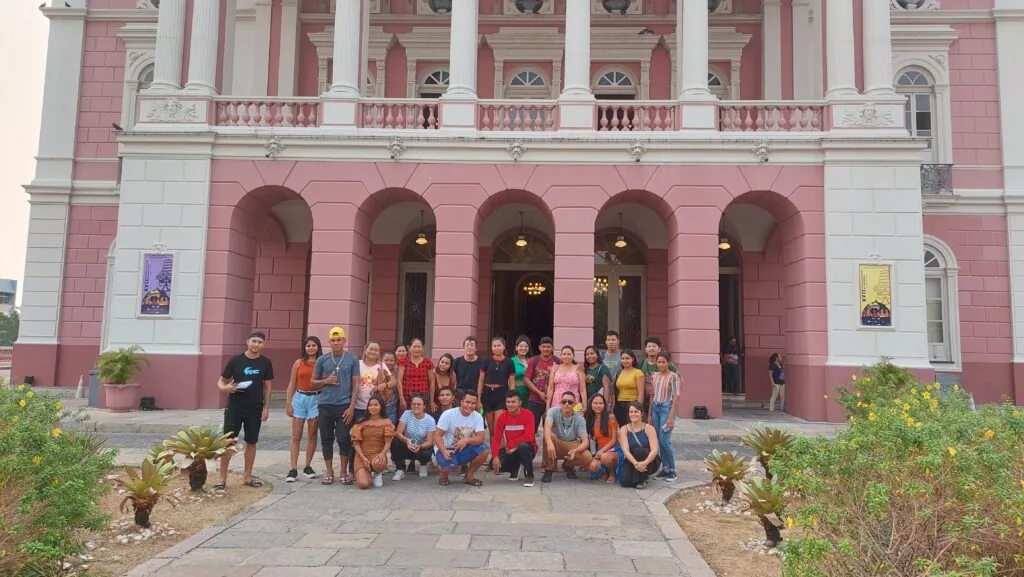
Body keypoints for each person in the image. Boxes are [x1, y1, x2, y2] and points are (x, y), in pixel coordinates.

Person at [216, 331, 274, 490]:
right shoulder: (236, 361)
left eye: (260, 342)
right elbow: (221, 381)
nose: (256, 344)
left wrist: (266, 407)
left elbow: (268, 386)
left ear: (264, 344)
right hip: (235, 406)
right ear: (247, 341)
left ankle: (247, 476)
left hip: (255, 407)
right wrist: (225, 388)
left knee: (252, 441)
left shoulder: (266, 363)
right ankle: (222, 478)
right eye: (254, 341)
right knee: (229, 441)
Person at [311, 326, 361, 486]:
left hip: (344, 405)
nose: (336, 343)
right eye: (333, 340)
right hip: (325, 404)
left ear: (344, 341)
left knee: (343, 439)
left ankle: (343, 471)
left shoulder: (352, 359)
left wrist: (352, 406)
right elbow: (313, 383)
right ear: (329, 342)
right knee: (326, 439)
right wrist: (326, 381)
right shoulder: (322, 359)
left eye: (339, 340)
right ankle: (329, 472)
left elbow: (356, 385)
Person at [284, 336, 322, 483]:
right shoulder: (298, 363)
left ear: (318, 347)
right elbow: (292, 383)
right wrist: (288, 402)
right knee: (296, 435)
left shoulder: (322, 363)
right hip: (300, 398)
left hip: (316, 399)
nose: (311, 348)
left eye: (313, 345)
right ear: (304, 348)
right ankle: (293, 468)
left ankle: (307, 466)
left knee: (312, 434)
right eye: (308, 346)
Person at [434, 390, 489, 487]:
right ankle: (443, 475)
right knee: (446, 467)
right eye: (467, 402)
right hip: (448, 448)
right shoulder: (448, 414)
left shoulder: (477, 416)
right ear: (461, 402)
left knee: (484, 450)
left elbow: (481, 438)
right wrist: (443, 451)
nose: (470, 406)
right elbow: (437, 435)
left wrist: (467, 440)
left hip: (465, 448)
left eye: (473, 403)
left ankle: (469, 476)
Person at [479, 336, 516, 469]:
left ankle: (502, 457)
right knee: (492, 429)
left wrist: (512, 399)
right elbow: (481, 380)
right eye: (494, 346)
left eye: (499, 345)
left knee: (499, 427)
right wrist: (478, 398)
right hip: (488, 395)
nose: (496, 348)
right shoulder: (486, 361)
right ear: (491, 347)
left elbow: (511, 381)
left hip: (502, 394)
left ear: (504, 347)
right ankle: (494, 456)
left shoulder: (509, 362)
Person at [541, 391, 593, 483]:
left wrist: (576, 451)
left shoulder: (579, 418)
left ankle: (568, 465)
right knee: (548, 436)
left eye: (570, 402)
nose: (567, 404)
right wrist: (549, 443)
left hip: (571, 443)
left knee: (587, 457)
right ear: (560, 402)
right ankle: (548, 469)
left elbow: (585, 442)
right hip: (556, 441)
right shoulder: (552, 411)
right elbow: (547, 428)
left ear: (574, 404)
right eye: (564, 401)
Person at [491, 390, 538, 487]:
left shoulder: (528, 415)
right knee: (496, 465)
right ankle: (514, 468)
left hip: (528, 448)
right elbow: (496, 438)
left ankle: (529, 475)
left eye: (513, 402)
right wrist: (495, 456)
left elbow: (529, 436)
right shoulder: (502, 417)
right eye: (508, 402)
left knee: (522, 447)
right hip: (511, 449)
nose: (510, 404)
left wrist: (512, 444)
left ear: (520, 403)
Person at [648, 351, 681, 482]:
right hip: (656, 407)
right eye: (659, 362)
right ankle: (665, 468)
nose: (661, 364)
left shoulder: (674, 377)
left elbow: (676, 397)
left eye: (663, 362)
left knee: (664, 440)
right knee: (658, 440)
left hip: (666, 408)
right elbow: (652, 395)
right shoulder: (654, 376)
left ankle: (672, 470)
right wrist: (650, 413)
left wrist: (670, 417)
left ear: (668, 362)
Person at [351, 396, 396, 490]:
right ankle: (365, 472)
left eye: (376, 405)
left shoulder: (387, 422)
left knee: (377, 463)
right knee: (363, 484)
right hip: (362, 456)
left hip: (378, 455)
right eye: (370, 405)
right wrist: (363, 458)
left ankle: (377, 473)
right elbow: (356, 444)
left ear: (381, 407)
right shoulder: (361, 422)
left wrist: (383, 454)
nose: (373, 407)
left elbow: (388, 442)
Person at [391, 394, 436, 480]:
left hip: (421, 447)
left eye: (418, 404)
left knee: (427, 452)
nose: (415, 406)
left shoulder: (430, 420)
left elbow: (430, 442)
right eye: (413, 404)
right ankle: (399, 469)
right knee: (395, 442)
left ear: (424, 406)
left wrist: (420, 446)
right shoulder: (407, 414)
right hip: (408, 444)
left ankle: (423, 464)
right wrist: (407, 440)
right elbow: (398, 432)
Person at [619, 401, 660, 489]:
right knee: (624, 482)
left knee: (640, 451)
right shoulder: (624, 429)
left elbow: (654, 450)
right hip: (632, 459)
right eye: (631, 412)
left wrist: (644, 463)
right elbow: (625, 450)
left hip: (649, 460)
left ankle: (643, 479)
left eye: (636, 411)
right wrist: (636, 464)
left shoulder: (649, 428)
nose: (633, 414)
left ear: (642, 413)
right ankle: (638, 475)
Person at [584, 393, 619, 484]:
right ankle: (604, 472)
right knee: (593, 466)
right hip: (599, 448)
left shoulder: (611, 417)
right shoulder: (590, 419)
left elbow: (614, 440)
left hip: (613, 448)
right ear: (590, 404)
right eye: (595, 403)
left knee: (605, 457)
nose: (598, 406)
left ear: (604, 405)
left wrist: (602, 451)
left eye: (600, 403)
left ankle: (612, 474)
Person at [638, 336, 677, 415]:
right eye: (649, 346)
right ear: (645, 349)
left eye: (654, 346)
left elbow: (679, 379)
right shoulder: (640, 363)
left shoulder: (667, 364)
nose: (651, 348)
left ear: (659, 349)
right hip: (644, 399)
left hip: (661, 401)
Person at [523, 337, 556, 430]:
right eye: (543, 346)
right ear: (539, 347)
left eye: (548, 347)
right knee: (530, 429)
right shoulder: (534, 360)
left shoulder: (557, 361)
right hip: (534, 400)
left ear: (553, 348)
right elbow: (526, 379)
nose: (546, 349)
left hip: (552, 401)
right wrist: (539, 393)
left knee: (550, 432)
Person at [356, 341, 392, 421]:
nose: (373, 351)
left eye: (376, 350)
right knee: (358, 430)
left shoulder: (381, 365)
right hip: (358, 406)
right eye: (371, 349)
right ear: (365, 350)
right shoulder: (357, 364)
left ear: (379, 353)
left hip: (375, 407)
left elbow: (393, 382)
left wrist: (384, 385)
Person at [397, 338, 434, 413]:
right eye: (414, 346)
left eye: (419, 347)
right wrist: (401, 398)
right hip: (406, 398)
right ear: (410, 348)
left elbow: (432, 382)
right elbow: (399, 381)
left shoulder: (428, 362)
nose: (417, 349)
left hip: (423, 399)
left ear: (422, 348)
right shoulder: (403, 362)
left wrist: (431, 401)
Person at [613, 350, 645, 427]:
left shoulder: (638, 373)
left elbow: (641, 392)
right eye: (623, 359)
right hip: (620, 405)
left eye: (627, 358)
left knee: (633, 427)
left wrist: (638, 408)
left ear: (632, 359)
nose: (625, 361)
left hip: (633, 404)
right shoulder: (619, 372)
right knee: (623, 428)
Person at [511, 336, 532, 406]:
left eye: (526, 346)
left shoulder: (531, 361)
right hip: (516, 393)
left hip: (530, 394)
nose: (523, 348)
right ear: (516, 348)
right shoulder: (511, 361)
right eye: (521, 346)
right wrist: (512, 394)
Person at [381, 351, 400, 424]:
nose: (389, 362)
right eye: (386, 360)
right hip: (380, 405)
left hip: (393, 405)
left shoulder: (398, 370)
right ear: (382, 360)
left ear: (395, 361)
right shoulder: (377, 370)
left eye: (392, 360)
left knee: (390, 428)